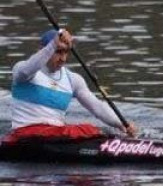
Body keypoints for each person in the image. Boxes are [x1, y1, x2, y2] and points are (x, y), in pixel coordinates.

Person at [5, 29, 138, 143]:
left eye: (66, 52)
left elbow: (97, 107)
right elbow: (26, 70)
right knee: (86, 130)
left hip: (56, 136)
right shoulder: (24, 71)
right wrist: (53, 44)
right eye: (58, 51)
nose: (63, 58)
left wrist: (121, 125)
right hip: (25, 136)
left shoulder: (73, 79)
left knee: (93, 131)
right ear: (43, 50)